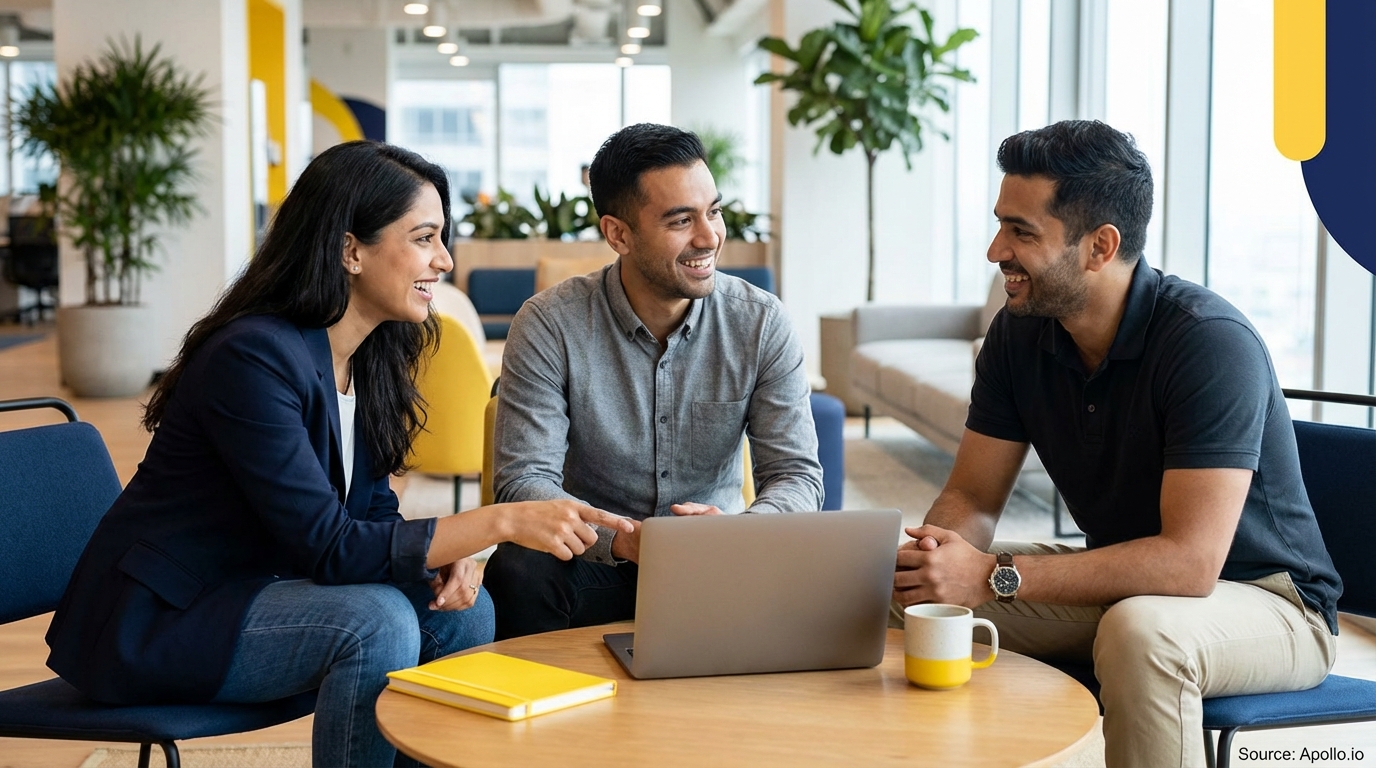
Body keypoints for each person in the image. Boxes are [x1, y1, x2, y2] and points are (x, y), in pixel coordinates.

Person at [44, 141, 633, 768]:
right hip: (158, 621)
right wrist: (498, 523)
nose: (445, 259)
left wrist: (447, 556)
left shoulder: (366, 358)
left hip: (256, 592)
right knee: (372, 620)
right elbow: (327, 545)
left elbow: (371, 513)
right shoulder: (252, 358)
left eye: (442, 238)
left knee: (462, 613)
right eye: (424, 238)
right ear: (351, 249)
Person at [890, 120, 1341, 768]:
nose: (995, 250)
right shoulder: (1020, 336)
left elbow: (1189, 565)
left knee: (1143, 634)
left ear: (1100, 246)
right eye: (1000, 224)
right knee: (896, 597)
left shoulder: (1208, 343)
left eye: (1021, 231)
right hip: (1127, 584)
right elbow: (971, 493)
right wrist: (935, 561)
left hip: (1271, 603)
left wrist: (991, 575)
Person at [484, 123, 824, 639]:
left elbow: (798, 476)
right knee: (519, 570)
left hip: (721, 566)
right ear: (618, 233)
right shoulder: (551, 322)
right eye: (681, 220)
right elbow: (523, 485)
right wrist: (623, 539)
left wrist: (739, 535)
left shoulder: (760, 322)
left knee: (826, 579)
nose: (709, 237)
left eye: (714, 211)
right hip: (597, 566)